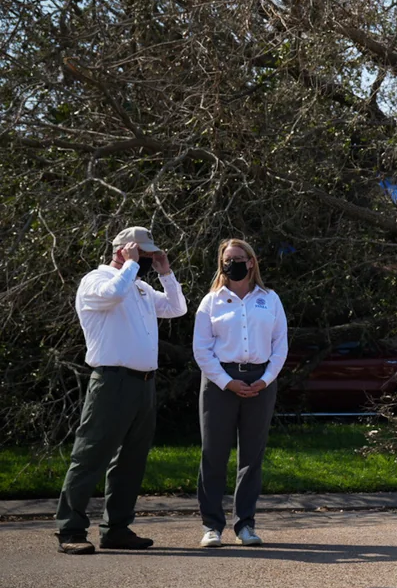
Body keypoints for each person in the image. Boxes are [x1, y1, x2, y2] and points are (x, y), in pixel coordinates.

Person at [55, 226, 187, 554]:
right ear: (122, 251)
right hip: (111, 381)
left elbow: (177, 308)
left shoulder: (139, 287)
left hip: (143, 384)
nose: (145, 261)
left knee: (131, 459)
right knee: (90, 455)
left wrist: (166, 273)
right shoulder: (96, 281)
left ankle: (116, 528)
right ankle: (70, 530)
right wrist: (129, 265)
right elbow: (112, 294)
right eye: (142, 254)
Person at [192, 239, 288, 547]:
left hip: (260, 380)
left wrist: (267, 379)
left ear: (251, 262)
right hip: (220, 381)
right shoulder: (211, 302)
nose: (231, 263)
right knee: (214, 453)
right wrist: (226, 381)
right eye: (226, 259)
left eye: (237, 258)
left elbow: (280, 344)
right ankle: (212, 526)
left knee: (252, 455)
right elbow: (202, 350)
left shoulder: (270, 299)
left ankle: (245, 524)